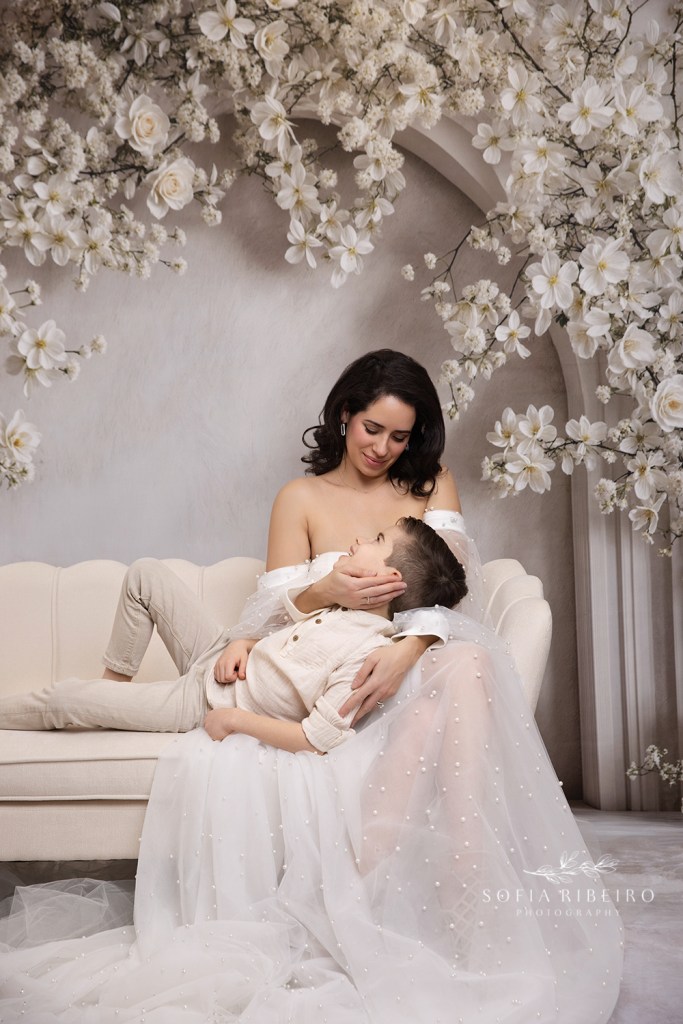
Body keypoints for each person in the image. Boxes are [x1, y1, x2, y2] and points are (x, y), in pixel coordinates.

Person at [0, 348, 623, 1024]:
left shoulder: (429, 488)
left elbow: (445, 591)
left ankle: (459, 880)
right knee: (146, 587)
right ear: (343, 415)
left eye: (399, 435)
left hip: (321, 675)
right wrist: (311, 595)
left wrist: (407, 648)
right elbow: (266, 612)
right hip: (248, 657)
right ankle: (112, 692)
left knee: (462, 664)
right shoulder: (299, 498)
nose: (383, 448)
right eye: (370, 429)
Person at [0, 518, 468, 752]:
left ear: (391, 582)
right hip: (220, 653)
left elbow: (320, 735)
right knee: (145, 574)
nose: (358, 543)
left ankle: (92, 703)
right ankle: (113, 692)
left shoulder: (369, 652)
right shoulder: (338, 596)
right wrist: (244, 642)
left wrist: (236, 722)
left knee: (64, 700)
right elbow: (268, 626)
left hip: (205, 701)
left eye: (376, 542)